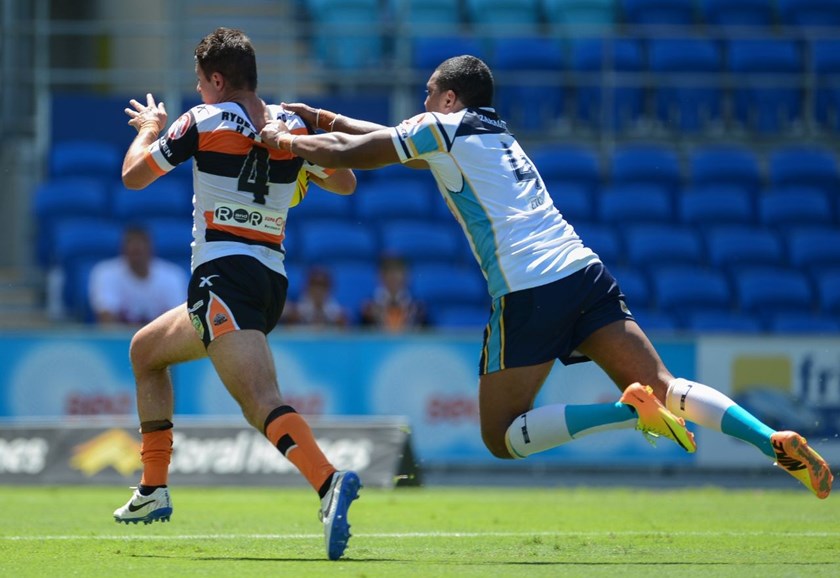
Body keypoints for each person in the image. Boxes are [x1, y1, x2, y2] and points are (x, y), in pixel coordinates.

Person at [260, 54, 833, 499]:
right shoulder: (491, 132)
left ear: (449, 97)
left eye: (428, 93)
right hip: (584, 271)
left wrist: (286, 141)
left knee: (500, 435)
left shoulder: (443, 129)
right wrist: (323, 118)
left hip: (528, 287)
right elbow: (383, 135)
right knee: (666, 386)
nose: (422, 102)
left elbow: (361, 150)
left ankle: (625, 413)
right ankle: (770, 439)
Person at [113, 27, 361, 560]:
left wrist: (151, 128)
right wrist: (302, 162)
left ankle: (328, 481)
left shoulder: (202, 120)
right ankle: (153, 489)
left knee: (259, 401)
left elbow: (134, 175)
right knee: (146, 351)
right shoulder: (290, 125)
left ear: (218, 80)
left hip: (222, 277)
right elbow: (346, 184)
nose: (199, 90)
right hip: (268, 279)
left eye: (201, 81)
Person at [88, 225, 188, 325]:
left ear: (151, 248)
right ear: (123, 249)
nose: (137, 255)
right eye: (133, 251)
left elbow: (179, 321)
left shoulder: (173, 276)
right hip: (120, 335)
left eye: (139, 250)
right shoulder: (105, 273)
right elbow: (107, 322)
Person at [360, 254, 428, 331]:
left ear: (407, 275)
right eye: (388, 271)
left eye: (398, 271)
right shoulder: (368, 308)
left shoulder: (418, 309)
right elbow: (358, 334)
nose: (394, 276)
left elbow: (431, 334)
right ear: (380, 275)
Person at [283, 265, 349, 328]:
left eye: (323, 285)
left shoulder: (339, 315)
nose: (318, 290)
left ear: (329, 288)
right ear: (306, 287)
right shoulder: (294, 311)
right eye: (314, 285)